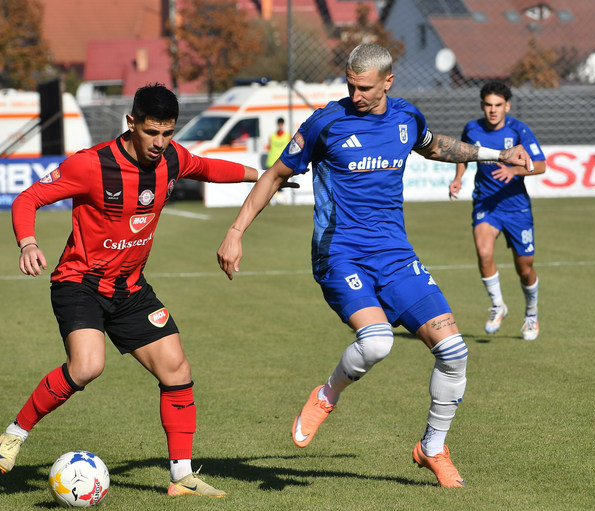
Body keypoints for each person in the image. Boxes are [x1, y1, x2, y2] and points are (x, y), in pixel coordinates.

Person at [216, 44, 532, 488]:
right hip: (340, 254)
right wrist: (235, 231)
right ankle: (327, 395)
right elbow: (274, 174)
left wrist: (496, 155)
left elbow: (435, 147)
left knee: (454, 353)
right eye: (349, 84)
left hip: (396, 256)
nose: (355, 93)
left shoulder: (405, 117)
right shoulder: (326, 121)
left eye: (363, 87)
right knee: (378, 342)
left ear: (388, 82)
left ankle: (433, 448)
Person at [0, 83, 260, 498]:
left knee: (177, 369)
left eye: (168, 133)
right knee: (86, 367)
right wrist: (27, 242)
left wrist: (266, 176)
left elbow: (207, 167)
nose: (160, 143)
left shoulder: (171, 157)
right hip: (79, 283)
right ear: (131, 123)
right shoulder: (91, 165)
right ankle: (14, 434)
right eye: (152, 132)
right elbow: (27, 199)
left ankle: (182, 477)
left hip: (130, 289)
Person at [449, 82, 546, 341]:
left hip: (516, 207)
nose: (493, 110)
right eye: (488, 105)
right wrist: (458, 178)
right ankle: (497, 305)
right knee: (483, 253)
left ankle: (531, 314)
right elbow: (463, 156)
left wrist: (513, 170)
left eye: (498, 105)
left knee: (525, 269)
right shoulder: (472, 128)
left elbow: (540, 165)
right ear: (483, 105)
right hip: (486, 203)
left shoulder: (518, 130)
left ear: (507, 106)